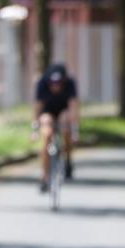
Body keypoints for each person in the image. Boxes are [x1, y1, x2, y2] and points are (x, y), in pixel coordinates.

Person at [33, 63, 80, 191]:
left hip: (63, 110)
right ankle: (44, 176)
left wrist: (75, 131)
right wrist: (35, 129)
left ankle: (68, 161)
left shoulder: (70, 84)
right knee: (46, 134)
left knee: (66, 126)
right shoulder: (42, 84)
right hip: (48, 111)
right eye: (52, 83)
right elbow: (38, 108)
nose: (55, 86)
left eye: (58, 83)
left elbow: (73, 107)